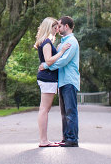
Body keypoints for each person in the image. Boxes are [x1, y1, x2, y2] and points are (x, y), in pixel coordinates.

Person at [40, 15, 80, 147]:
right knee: (64, 112)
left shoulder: (72, 42)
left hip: (69, 80)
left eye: (60, 26)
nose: (58, 28)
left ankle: (72, 139)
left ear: (66, 26)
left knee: (70, 111)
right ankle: (66, 137)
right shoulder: (63, 42)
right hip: (61, 81)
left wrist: (46, 65)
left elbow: (64, 61)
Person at [34, 17, 70, 147]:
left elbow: (47, 60)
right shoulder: (47, 42)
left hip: (47, 77)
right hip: (47, 78)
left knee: (44, 109)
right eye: (55, 27)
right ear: (49, 27)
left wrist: (58, 49)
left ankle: (44, 139)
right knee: (44, 109)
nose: (57, 30)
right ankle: (43, 140)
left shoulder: (45, 42)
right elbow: (49, 61)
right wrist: (62, 51)